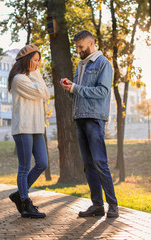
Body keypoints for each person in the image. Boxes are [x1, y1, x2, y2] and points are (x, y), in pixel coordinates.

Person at [60, 30, 119, 218]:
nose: (78, 50)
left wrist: (76, 88)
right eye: (77, 47)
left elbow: (102, 92)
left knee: (100, 162)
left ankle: (113, 205)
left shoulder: (104, 64)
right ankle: (97, 205)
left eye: (81, 47)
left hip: (94, 118)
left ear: (91, 44)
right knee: (87, 164)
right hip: (80, 117)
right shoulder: (80, 65)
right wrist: (70, 87)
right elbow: (79, 92)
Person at [8, 44, 50, 218]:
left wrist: (35, 73)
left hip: (37, 128)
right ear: (26, 60)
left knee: (42, 163)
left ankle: (19, 194)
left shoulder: (32, 76)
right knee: (24, 167)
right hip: (23, 128)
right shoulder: (19, 79)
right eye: (34, 60)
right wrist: (36, 76)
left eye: (39, 61)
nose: (37, 64)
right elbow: (40, 92)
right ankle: (25, 203)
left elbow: (46, 94)